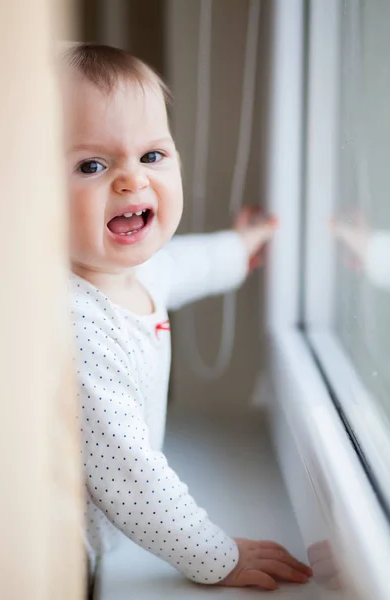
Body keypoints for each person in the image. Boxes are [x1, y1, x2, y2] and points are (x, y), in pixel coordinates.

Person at [62, 42, 312, 591]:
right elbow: (132, 478)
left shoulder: (135, 271)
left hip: (109, 535)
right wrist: (215, 555)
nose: (132, 180)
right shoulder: (76, 326)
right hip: (65, 553)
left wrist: (238, 248)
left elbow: (183, 265)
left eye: (151, 155)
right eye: (92, 165)